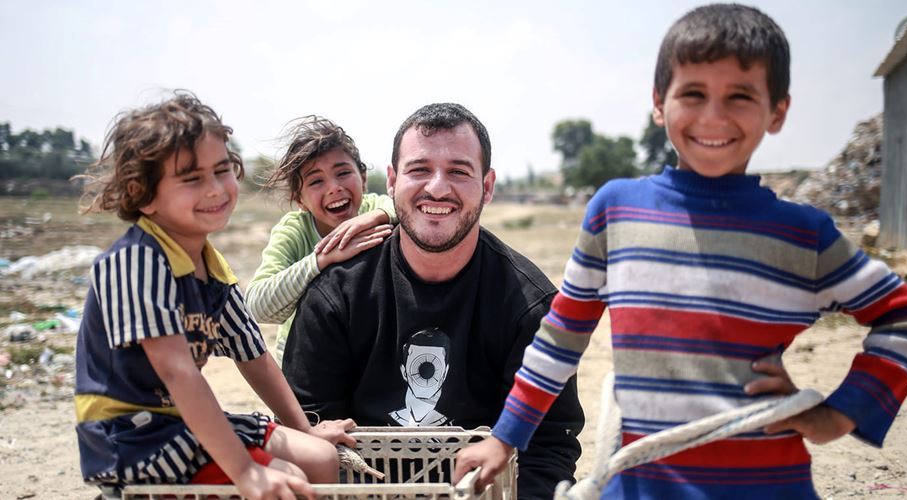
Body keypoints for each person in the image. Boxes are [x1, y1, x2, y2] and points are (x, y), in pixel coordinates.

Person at [455, 4, 907, 499]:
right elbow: (560, 340)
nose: (713, 116)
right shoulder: (615, 212)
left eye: (740, 96)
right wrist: (505, 437)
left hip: (766, 487)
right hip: (642, 486)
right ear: (659, 103)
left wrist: (836, 416)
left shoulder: (802, 235)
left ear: (777, 111)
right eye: (693, 94)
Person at [281, 102, 584, 499]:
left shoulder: (530, 305)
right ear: (392, 181)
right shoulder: (335, 296)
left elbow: (548, 446)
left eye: (458, 171)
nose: (438, 188)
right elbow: (307, 431)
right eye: (419, 169)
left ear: (487, 186)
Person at [73, 92, 355, 500]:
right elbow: (178, 373)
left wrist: (305, 429)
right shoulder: (136, 261)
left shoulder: (211, 265)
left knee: (320, 456)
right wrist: (245, 471)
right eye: (192, 178)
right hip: (131, 435)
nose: (215, 189)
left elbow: (254, 356)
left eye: (222, 171)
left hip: (180, 423)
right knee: (288, 477)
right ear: (143, 193)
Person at [246, 116, 394, 364]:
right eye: (316, 181)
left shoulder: (376, 209)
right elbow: (256, 306)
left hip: (366, 356)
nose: (334, 187)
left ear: (363, 178)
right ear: (300, 200)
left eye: (343, 173)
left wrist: (377, 217)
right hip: (305, 359)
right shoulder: (294, 231)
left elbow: (406, 208)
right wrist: (322, 259)